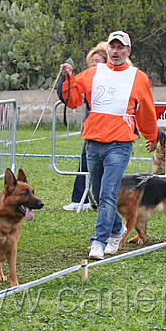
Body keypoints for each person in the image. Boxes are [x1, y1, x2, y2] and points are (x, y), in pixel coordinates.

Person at [59, 31, 159, 260]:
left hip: (120, 143)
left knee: (108, 193)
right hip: (93, 141)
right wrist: (68, 77)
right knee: (97, 192)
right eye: (112, 47)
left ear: (128, 51)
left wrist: (152, 136)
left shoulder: (138, 77)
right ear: (108, 51)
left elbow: (146, 110)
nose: (116, 51)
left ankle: (99, 241)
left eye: (120, 47)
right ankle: (117, 229)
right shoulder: (93, 73)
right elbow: (73, 99)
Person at [61, 42, 108, 211]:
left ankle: (101, 201)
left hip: (111, 132)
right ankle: (81, 199)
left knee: (106, 169)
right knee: (86, 163)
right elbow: (73, 97)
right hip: (92, 129)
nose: (94, 65)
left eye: (98, 61)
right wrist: (68, 77)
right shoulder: (88, 77)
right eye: (92, 62)